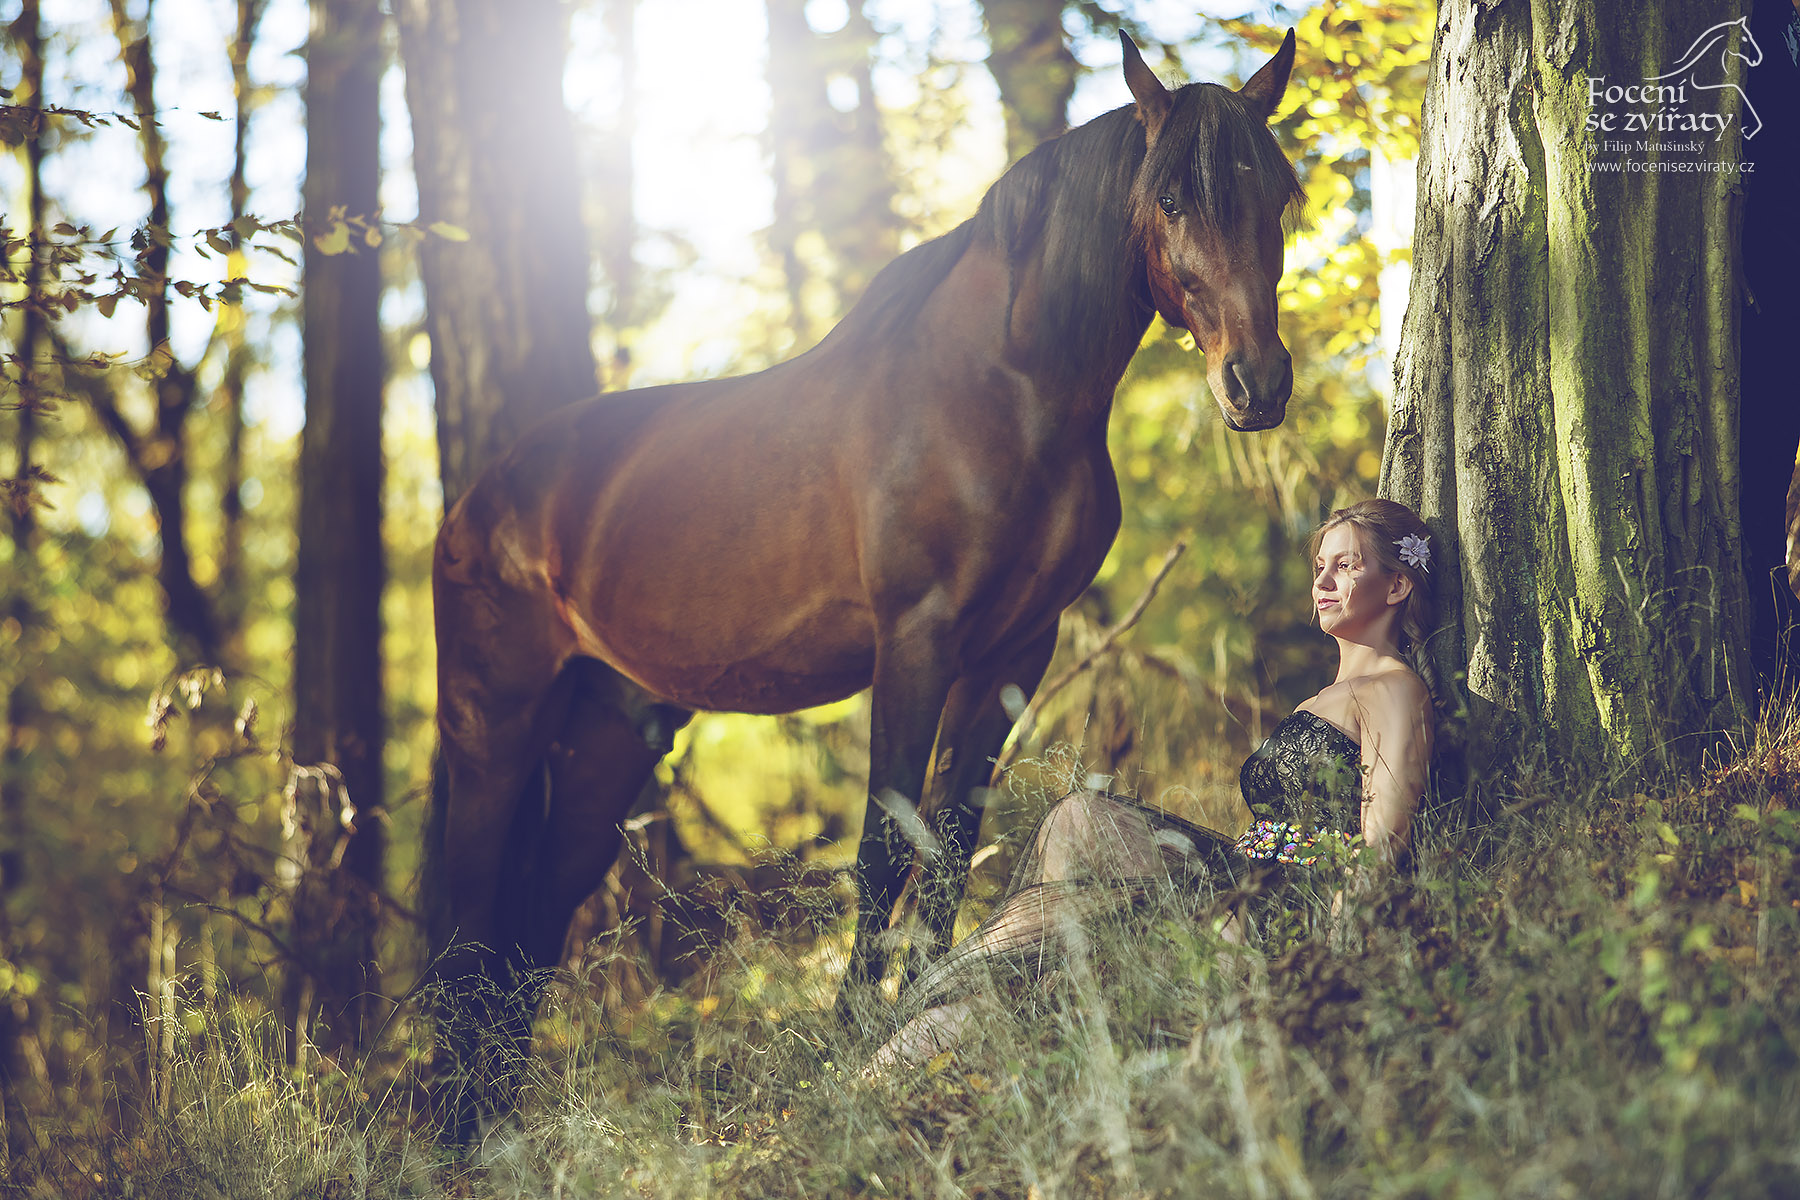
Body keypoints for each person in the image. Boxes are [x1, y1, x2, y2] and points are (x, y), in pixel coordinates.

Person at [864, 498, 1438, 1073]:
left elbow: (1382, 844)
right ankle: (916, 1052)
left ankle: (954, 1025)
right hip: (1240, 871)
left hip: (1282, 904)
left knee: (1068, 871)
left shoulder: (1394, 690)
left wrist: (1331, 963)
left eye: (1346, 565)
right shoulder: (1316, 701)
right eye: (1319, 566)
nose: (1323, 581)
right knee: (1071, 842)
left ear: (1396, 587)